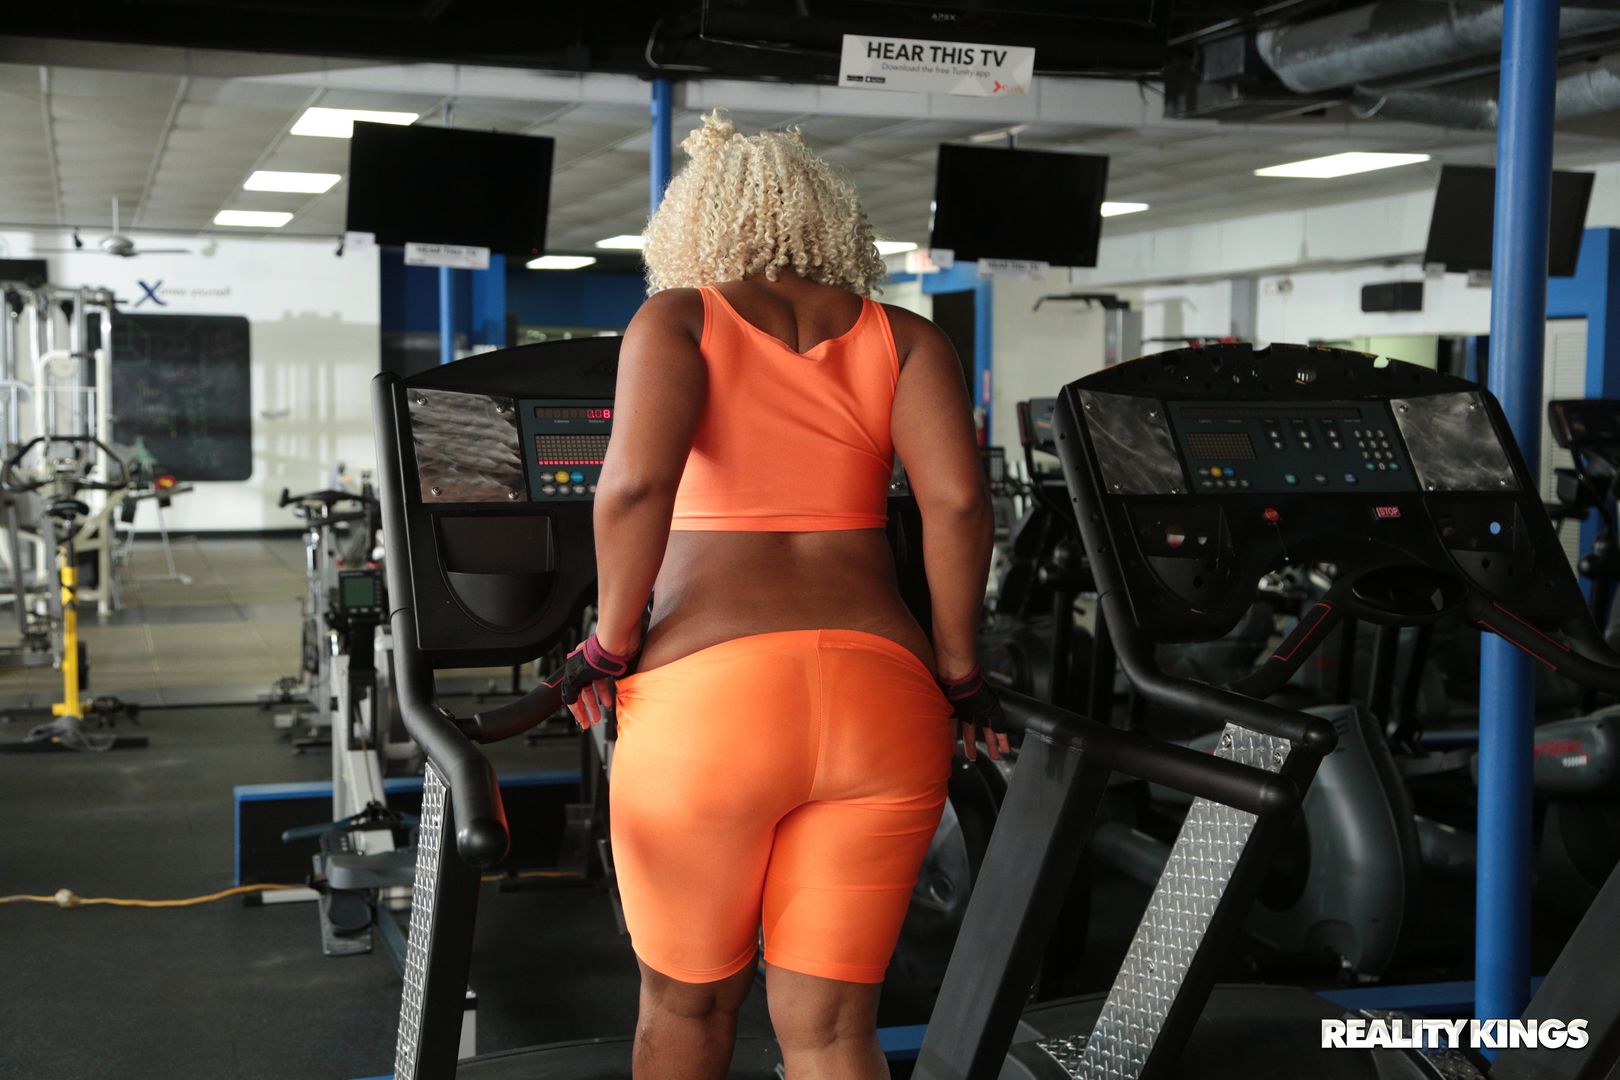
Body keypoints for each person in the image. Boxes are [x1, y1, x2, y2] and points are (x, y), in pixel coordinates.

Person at [560, 110, 1003, 1080]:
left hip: (713, 704)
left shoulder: (679, 319)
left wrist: (608, 644)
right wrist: (962, 674)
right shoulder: (907, 338)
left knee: (686, 1004)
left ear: (696, 222)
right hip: (885, 699)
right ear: (827, 219)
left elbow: (634, 489)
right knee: (834, 1031)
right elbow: (961, 505)